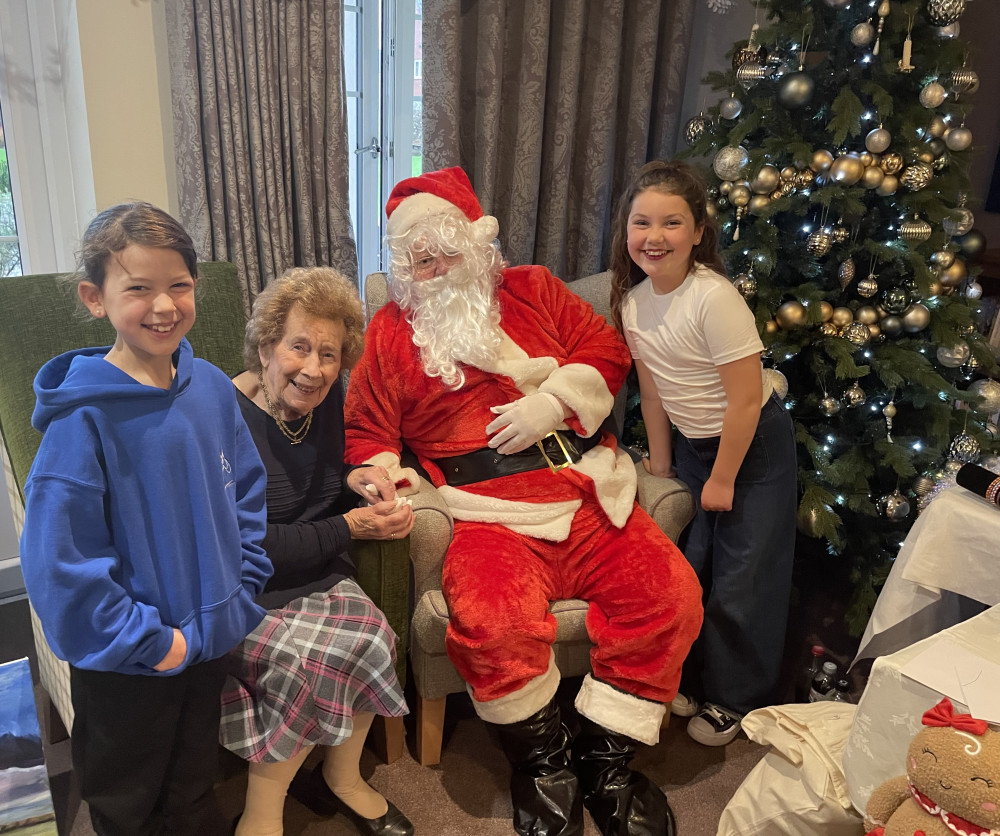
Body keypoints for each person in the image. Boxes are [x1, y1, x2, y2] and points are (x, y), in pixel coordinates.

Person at [344, 166, 703, 836]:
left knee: (671, 597)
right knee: (492, 623)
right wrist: (378, 472)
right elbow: (368, 428)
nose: (436, 270)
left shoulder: (534, 289)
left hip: (588, 491)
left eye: (447, 253)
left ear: (475, 245)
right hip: (488, 515)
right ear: (405, 270)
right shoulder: (391, 332)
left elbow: (606, 349)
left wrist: (555, 401)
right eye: (421, 261)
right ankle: (542, 764)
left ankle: (607, 762)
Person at [19, 202, 273, 836]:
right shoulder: (81, 422)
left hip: (210, 643)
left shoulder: (211, 387)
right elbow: (60, 565)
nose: (163, 306)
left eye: (178, 285)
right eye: (138, 288)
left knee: (193, 786)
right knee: (128, 808)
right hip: (127, 667)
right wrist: (154, 645)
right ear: (95, 298)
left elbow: (245, 491)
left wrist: (241, 590)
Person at [220, 266, 414, 836]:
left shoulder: (323, 399)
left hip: (318, 569)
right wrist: (352, 527)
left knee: (375, 636)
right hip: (247, 585)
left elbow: (319, 480)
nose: (314, 368)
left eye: (329, 354)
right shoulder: (223, 415)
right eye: (299, 347)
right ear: (266, 346)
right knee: (299, 666)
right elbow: (246, 543)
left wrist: (355, 479)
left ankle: (341, 776)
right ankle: (261, 813)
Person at [609, 160, 797, 747]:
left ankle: (734, 697)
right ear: (627, 230)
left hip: (751, 448)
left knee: (743, 577)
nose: (655, 236)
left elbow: (745, 401)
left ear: (697, 232)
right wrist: (663, 461)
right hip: (694, 447)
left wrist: (723, 479)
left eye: (672, 223)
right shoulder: (635, 303)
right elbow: (653, 392)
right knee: (689, 565)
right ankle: (688, 677)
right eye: (642, 222)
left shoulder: (713, 298)